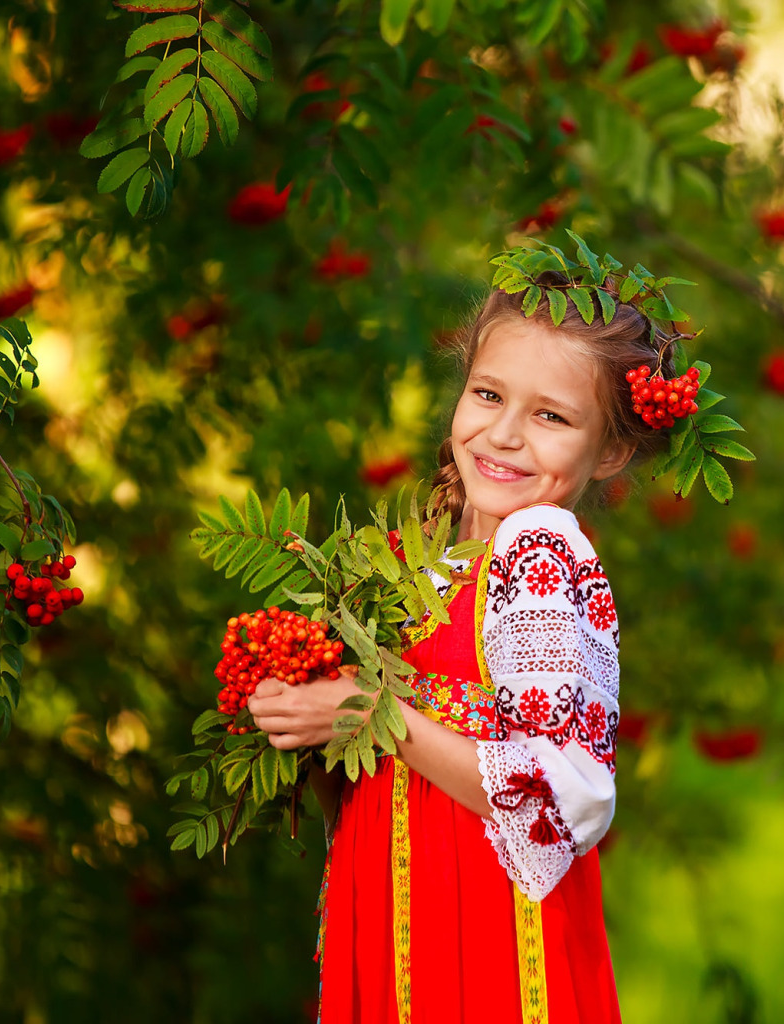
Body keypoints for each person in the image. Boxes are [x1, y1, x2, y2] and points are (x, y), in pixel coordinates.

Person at [248, 269, 671, 1023]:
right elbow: (372, 788)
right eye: (488, 394)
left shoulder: (541, 553)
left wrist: (373, 710)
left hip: (487, 947)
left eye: (552, 416)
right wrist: (311, 717)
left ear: (609, 450)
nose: (505, 433)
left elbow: (560, 798)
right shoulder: (424, 566)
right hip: (398, 922)